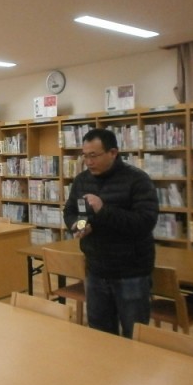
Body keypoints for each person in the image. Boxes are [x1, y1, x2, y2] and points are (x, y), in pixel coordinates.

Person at [63, 128, 159, 338]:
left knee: (134, 336)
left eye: (94, 156)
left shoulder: (138, 180)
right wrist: (79, 225)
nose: (88, 162)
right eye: (85, 156)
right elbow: (73, 211)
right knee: (100, 336)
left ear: (113, 153)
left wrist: (103, 209)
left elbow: (145, 222)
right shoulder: (82, 180)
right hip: (95, 269)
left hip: (131, 272)